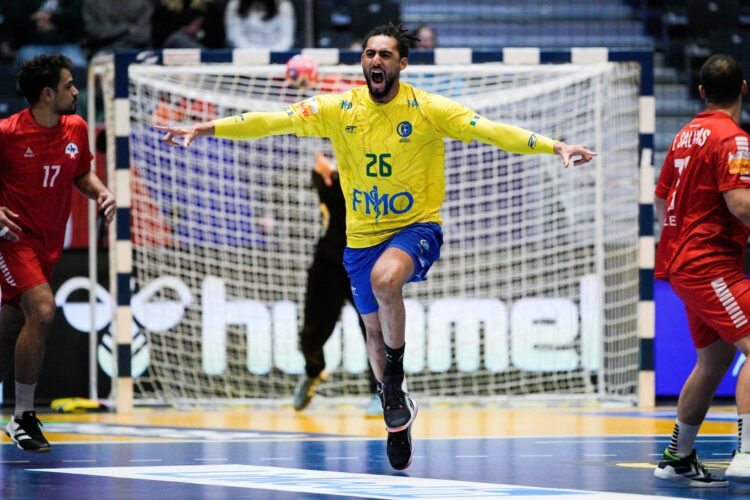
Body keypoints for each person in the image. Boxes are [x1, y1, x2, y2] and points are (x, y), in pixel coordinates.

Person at [156, 22, 596, 470]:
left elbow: (491, 130)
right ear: (362, 62)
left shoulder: (427, 109)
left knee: (387, 281)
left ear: (402, 63)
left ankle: (393, 383)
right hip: (360, 239)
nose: (376, 61)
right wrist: (210, 128)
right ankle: (396, 419)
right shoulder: (339, 108)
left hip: (415, 228)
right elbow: (273, 120)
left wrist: (554, 145)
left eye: (385, 55)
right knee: (371, 332)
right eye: (370, 54)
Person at [0, 55, 115, 452]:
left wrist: (100, 192)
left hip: (49, 245)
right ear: (48, 94)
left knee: (12, 324)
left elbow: (79, 172)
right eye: (69, 85)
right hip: (11, 241)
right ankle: (23, 417)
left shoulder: (76, 128)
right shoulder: (8, 133)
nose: (75, 90)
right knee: (44, 310)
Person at [653, 53, 750, 486]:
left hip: (683, 259)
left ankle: (678, 455)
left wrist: (683, 237)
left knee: (714, 359)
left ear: (701, 92)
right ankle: (747, 453)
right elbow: (741, 204)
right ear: (743, 89)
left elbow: (661, 200)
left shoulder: (685, 135)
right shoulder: (733, 139)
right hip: (709, 261)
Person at [293, 152, 381, 417]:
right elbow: (322, 173)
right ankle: (314, 371)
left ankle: (382, 392)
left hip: (364, 259)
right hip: (328, 263)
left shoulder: (373, 164)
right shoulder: (325, 174)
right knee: (310, 337)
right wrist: (329, 170)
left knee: (374, 330)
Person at [224, 0, 296, 50]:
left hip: (276, 57)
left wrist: (271, 54)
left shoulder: (283, 5)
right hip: (244, 57)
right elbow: (235, 37)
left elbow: (286, 39)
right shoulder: (235, 5)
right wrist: (254, 54)